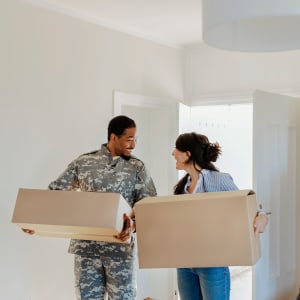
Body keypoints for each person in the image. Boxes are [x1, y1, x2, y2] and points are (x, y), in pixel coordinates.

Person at [22, 115, 157, 300]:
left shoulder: (137, 167)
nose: (133, 145)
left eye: (136, 139)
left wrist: (133, 226)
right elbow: (55, 192)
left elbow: (147, 207)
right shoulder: (84, 162)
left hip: (119, 251)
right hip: (86, 251)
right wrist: (34, 221)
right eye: (129, 139)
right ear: (113, 137)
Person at [172, 132, 268, 300]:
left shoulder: (217, 180)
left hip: (212, 263)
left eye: (176, 149)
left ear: (188, 154)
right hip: (184, 263)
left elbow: (245, 204)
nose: (173, 153)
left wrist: (261, 216)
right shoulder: (182, 186)